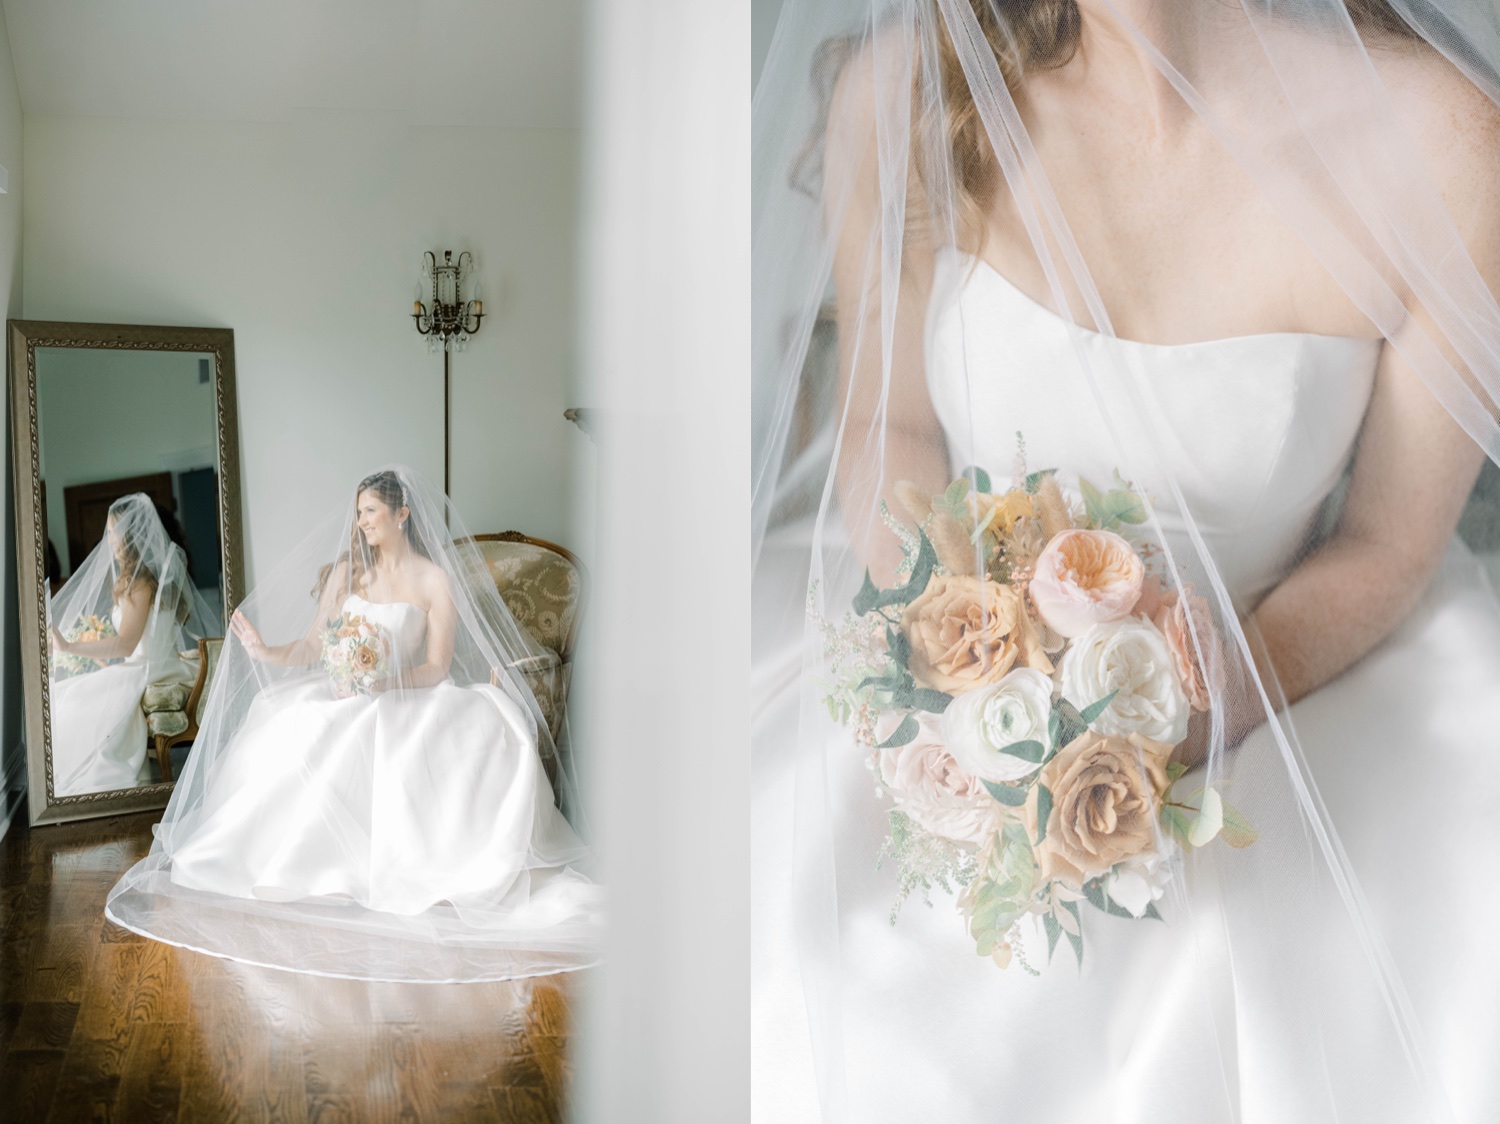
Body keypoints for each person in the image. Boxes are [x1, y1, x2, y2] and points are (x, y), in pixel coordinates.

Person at [752, 1, 1500, 1120]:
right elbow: (888, 429)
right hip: (963, 683)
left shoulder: (1447, 145)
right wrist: (970, 639)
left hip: (1293, 678)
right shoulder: (904, 96)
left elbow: (1388, 539)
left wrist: (1216, 692)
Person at [105, 467, 602, 983]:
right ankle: (292, 866)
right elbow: (311, 648)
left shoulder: (436, 581)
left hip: (406, 694)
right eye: (359, 511)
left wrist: (381, 685)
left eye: (370, 511)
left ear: (402, 514)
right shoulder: (350, 576)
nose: (360, 521)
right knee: (284, 718)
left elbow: (435, 666)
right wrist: (261, 650)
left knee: (418, 733)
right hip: (347, 691)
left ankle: (387, 869)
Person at [47, 493, 213, 796]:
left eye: (113, 532)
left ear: (129, 536)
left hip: (151, 669)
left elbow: (125, 645)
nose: (109, 540)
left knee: (69, 697)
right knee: (71, 692)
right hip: (148, 663)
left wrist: (69, 647)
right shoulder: (145, 579)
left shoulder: (141, 583)